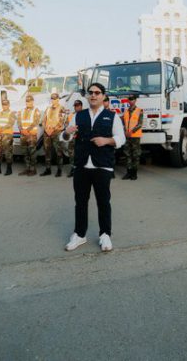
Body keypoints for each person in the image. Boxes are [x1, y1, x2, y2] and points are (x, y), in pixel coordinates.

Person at [63, 82, 126, 252]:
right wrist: (67, 132)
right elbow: (65, 137)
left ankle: (105, 234)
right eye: (90, 92)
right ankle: (79, 234)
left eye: (97, 93)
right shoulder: (79, 115)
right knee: (80, 202)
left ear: (103, 96)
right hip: (82, 165)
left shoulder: (111, 116)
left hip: (102, 166)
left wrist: (106, 140)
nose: (93, 95)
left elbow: (121, 138)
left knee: (103, 202)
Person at [41, 93, 67, 177]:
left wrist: (53, 129)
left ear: (58, 99)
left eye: (55, 99)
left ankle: (59, 170)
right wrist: (45, 129)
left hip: (56, 132)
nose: (53, 100)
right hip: (47, 133)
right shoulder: (48, 108)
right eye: (52, 99)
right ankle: (48, 169)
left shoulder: (61, 108)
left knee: (58, 151)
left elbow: (62, 121)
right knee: (47, 151)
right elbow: (44, 120)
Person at [0, 99, 16, 176]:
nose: (4, 106)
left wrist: (1, 129)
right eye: (3, 104)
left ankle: (9, 169)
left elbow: (10, 123)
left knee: (7, 152)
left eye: (6, 104)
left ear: (8, 105)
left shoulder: (11, 113)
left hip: (7, 135)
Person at [121, 93, 144, 180]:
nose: (131, 101)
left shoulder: (139, 110)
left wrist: (131, 132)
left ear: (135, 100)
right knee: (127, 154)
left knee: (135, 155)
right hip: (127, 136)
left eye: (132, 99)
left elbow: (140, 124)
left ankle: (134, 173)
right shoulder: (126, 111)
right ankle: (128, 172)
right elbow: (124, 123)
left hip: (135, 136)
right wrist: (125, 131)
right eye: (130, 99)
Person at [18, 95, 41, 176]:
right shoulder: (21, 111)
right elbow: (19, 121)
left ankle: (33, 169)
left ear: (32, 101)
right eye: (27, 101)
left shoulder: (36, 110)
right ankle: (27, 169)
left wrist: (27, 130)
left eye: (30, 101)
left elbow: (36, 121)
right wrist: (21, 130)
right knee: (25, 153)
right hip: (23, 134)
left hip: (31, 134)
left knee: (32, 153)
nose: (28, 103)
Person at [65, 99, 83, 177]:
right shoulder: (71, 115)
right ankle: (73, 168)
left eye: (78, 106)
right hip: (72, 138)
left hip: (81, 138)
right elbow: (67, 125)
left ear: (81, 106)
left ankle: (81, 170)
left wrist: (77, 132)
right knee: (71, 153)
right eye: (75, 106)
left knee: (81, 154)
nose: (76, 107)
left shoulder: (85, 115)